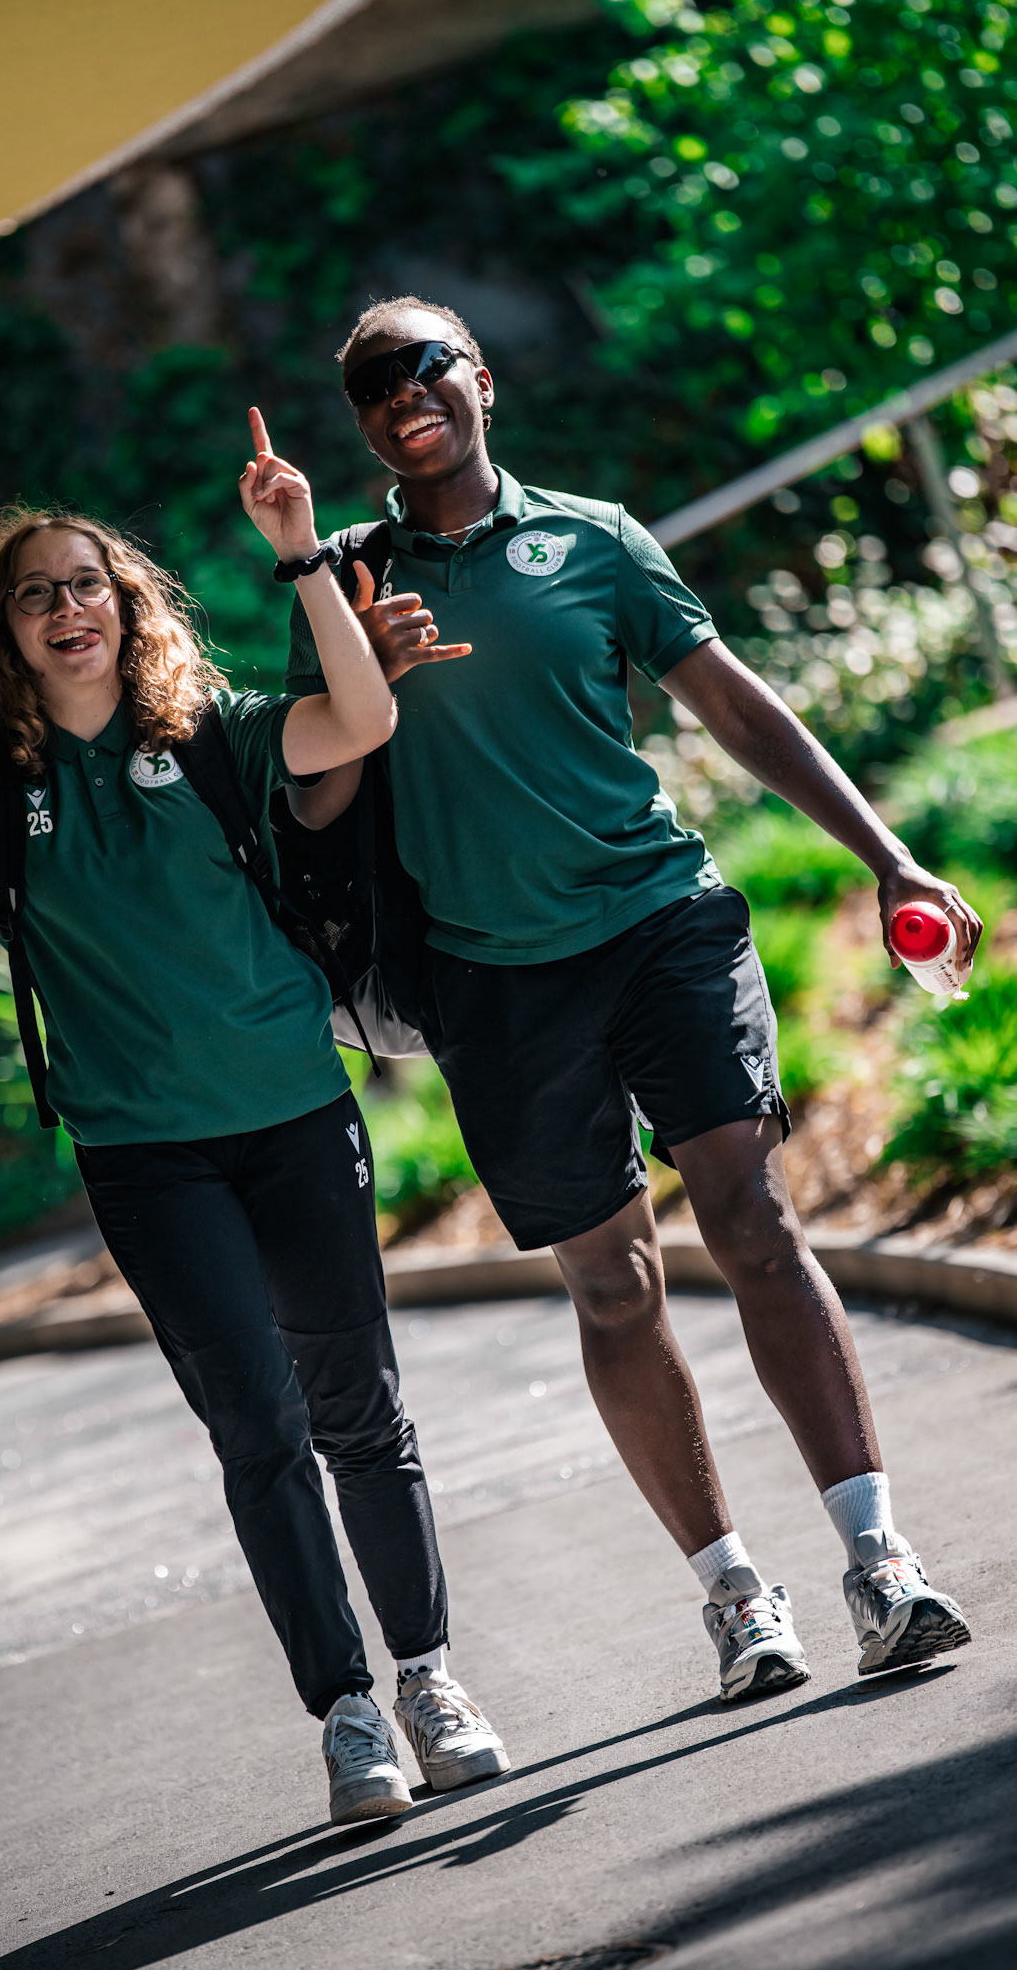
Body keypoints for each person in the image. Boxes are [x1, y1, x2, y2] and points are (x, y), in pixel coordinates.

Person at [0, 409, 509, 1822]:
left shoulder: (220, 736)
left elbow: (363, 718)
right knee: (255, 1428)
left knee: (357, 1412)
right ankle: (351, 1714)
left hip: (294, 1112)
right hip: (144, 1155)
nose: (66, 606)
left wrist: (300, 551)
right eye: (35, 592)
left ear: (129, 610)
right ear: (5, 633)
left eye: (88, 583)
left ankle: (431, 1674)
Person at [285, 301, 976, 1700]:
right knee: (612, 1281)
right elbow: (312, 799)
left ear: (478, 378)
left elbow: (731, 706)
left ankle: (879, 1562)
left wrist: (887, 854)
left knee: (752, 1217)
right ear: (360, 420)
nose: (399, 394)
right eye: (370, 383)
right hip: (491, 977)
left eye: (421, 364)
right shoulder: (344, 582)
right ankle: (733, 1595)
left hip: (660, 919)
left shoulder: (592, 536)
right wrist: (374, 684)